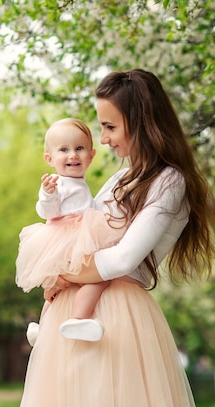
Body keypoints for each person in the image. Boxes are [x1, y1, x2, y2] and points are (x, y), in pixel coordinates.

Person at [17, 69, 215, 407]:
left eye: (110, 127)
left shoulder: (168, 181)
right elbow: (81, 232)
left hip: (117, 313)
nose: (105, 139)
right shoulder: (121, 179)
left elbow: (124, 258)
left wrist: (65, 277)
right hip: (75, 308)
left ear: (139, 122)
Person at [15, 118, 129, 346]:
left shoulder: (78, 182)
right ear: (49, 159)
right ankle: (79, 318)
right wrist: (48, 194)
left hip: (77, 235)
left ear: (91, 154)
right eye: (64, 150)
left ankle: (42, 327)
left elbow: (87, 206)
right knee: (98, 279)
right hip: (69, 237)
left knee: (59, 288)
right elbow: (46, 211)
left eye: (79, 148)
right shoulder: (58, 183)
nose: (73, 155)